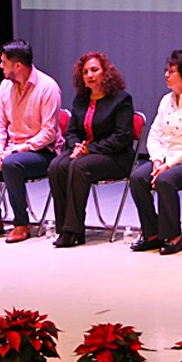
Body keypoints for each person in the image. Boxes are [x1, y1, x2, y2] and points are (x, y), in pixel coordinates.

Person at [0, 39, 64, 243]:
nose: (0, 66)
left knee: (11, 165)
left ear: (17, 65)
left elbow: (48, 133)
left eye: (4, 62)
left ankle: (21, 223)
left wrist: (14, 152)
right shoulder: (4, 87)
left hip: (42, 152)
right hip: (10, 150)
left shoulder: (47, 88)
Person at [129, 49, 182, 256]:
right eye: (166, 71)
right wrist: (158, 160)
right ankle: (152, 234)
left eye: (171, 71)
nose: (166, 75)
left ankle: (174, 237)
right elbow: (154, 134)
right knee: (137, 178)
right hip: (166, 160)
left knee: (165, 180)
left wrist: (168, 165)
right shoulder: (166, 100)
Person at [47, 52, 136, 248]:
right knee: (56, 165)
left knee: (79, 166)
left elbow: (121, 138)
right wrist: (77, 146)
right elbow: (70, 132)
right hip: (85, 153)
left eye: (94, 70)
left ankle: (73, 230)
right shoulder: (81, 99)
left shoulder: (121, 100)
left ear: (106, 73)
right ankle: (64, 228)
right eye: (85, 71)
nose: (89, 75)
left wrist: (89, 149)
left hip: (116, 157)